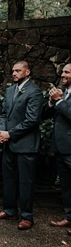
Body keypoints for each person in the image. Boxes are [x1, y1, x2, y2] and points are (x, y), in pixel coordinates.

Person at [0, 59, 43, 230]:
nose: (14, 73)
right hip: (9, 144)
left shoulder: (35, 92)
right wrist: (2, 132)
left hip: (26, 145)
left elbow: (32, 120)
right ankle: (9, 210)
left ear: (27, 72)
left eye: (18, 70)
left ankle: (27, 216)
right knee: (9, 180)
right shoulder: (10, 90)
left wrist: (10, 134)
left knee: (26, 182)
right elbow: (3, 114)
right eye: (13, 70)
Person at [43, 62, 71, 228]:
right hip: (60, 148)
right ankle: (69, 217)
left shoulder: (62, 96)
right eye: (62, 72)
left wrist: (59, 101)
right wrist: (52, 103)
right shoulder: (64, 93)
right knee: (66, 186)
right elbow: (45, 115)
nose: (62, 75)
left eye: (67, 72)